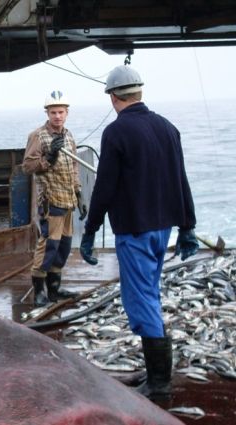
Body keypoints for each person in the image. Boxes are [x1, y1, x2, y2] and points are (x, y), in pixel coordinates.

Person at [79, 64, 198, 399]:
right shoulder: (167, 127)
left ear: (113, 97)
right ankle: (155, 371)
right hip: (163, 230)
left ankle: (160, 385)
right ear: (139, 92)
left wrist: (90, 230)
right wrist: (187, 227)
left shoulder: (117, 133)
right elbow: (181, 179)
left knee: (140, 298)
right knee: (151, 293)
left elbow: (104, 187)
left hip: (134, 230)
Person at [22, 90, 87, 307]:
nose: (57, 116)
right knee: (48, 244)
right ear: (47, 113)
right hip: (51, 201)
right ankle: (39, 291)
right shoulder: (38, 136)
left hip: (68, 200)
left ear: (67, 113)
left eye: (61, 112)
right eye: (53, 112)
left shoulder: (69, 135)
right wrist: (49, 157)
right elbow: (28, 166)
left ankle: (54, 289)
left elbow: (74, 167)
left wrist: (79, 194)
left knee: (64, 246)